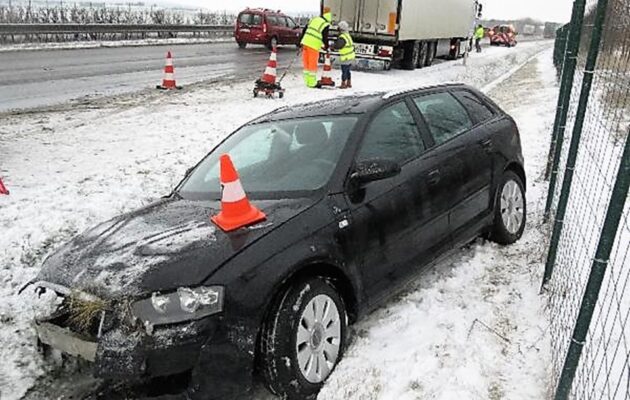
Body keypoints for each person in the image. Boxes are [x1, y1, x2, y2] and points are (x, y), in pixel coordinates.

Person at [300, 11, 332, 88]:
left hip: (305, 43)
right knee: (312, 64)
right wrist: (327, 47)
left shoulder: (314, 19)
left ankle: (307, 81)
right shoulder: (325, 24)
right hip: (313, 45)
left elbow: (304, 30)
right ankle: (312, 83)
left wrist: (301, 41)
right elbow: (325, 37)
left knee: (306, 63)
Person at [334, 21, 355, 89]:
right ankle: (349, 83)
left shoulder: (342, 37)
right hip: (350, 56)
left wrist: (332, 46)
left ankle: (343, 84)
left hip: (346, 57)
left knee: (344, 71)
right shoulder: (347, 35)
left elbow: (338, 46)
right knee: (348, 70)